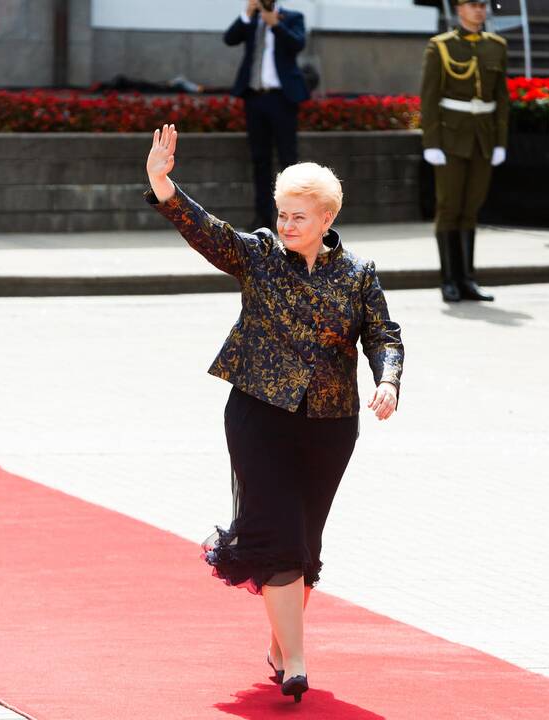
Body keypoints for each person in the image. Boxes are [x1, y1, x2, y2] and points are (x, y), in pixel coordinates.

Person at [144, 124, 403, 703]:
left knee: (305, 541)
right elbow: (206, 232)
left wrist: (387, 380)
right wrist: (165, 186)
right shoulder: (259, 253)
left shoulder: (359, 274)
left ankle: (279, 644)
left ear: (327, 220)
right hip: (258, 414)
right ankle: (298, 661)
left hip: (331, 424)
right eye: (282, 213)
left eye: (299, 217)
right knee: (280, 531)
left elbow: (384, 335)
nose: (287, 225)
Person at [419, 0, 507, 303]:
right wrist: (431, 142)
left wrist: (500, 142)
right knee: (449, 208)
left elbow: (501, 100)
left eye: (483, 5)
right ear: (459, 9)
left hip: (482, 138)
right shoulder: (440, 46)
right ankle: (449, 280)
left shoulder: (496, 46)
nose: (479, 10)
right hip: (451, 139)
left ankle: (468, 278)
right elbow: (429, 98)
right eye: (472, 5)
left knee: (471, 208)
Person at [224, 0, 311, 230]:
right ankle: (262, 218)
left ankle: (294, 218)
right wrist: (247, 14)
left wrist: (276, 25)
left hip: (282, 98)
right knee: (259, 159)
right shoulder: (251, 19)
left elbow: (298, 44)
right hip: (254, 97)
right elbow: (230, 39)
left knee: (288, 161)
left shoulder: (293, 17)